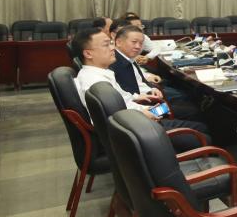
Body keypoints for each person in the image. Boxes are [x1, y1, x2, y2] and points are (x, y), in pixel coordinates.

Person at [71, 28, 209, 151]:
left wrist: (140, 101)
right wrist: (144, 113)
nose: (112, 48)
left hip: (139, 117)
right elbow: (112, 120)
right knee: (203, 134)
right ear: (88, 54)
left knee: (196, 122)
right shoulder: (96, 84)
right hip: (138, 131)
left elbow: (124, 101)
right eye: (106, 45)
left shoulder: (102, 73)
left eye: (111, 43)